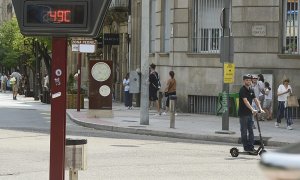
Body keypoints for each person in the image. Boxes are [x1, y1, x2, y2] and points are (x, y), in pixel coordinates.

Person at [238, 74, 264, 153]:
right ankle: (246, 147)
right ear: (244, 81)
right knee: (244, 131)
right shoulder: (242, 90)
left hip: (250, 114)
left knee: (251, 130)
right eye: (247, 80)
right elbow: (245, 101)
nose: (248, 81)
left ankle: (251, 147)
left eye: (249, 80)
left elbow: (256, 100)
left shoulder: (251, 90)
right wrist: (253, 109)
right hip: (243, 114)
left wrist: (260, 108)